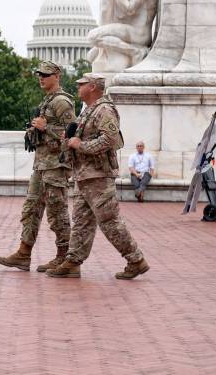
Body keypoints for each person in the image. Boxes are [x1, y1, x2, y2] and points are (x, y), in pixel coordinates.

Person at [46, 73, 149, 279]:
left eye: (81, 84)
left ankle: (136, 260)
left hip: (99, 177)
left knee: (109, 221)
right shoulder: (89, 111)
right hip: (84, 175)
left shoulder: (104, 109)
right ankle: (73, 261)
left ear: (92, 87)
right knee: (81, 221)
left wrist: (81, 145)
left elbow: (110, 140)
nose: (78, 87)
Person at [0, 60, 76, 272]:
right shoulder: (47, 101)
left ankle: (63, 256)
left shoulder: (62, 102)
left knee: (57, 212)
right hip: (41, 165)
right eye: (39, 74)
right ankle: (23, 253)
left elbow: (72, 137)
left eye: (46, 74)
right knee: (31, 208)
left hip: (56, 166)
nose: (41, 77)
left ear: (57, 76)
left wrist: (46, 127)